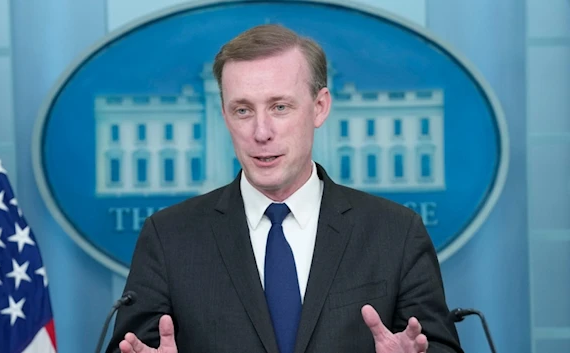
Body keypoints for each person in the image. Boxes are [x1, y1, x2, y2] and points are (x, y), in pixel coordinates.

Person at [106, 24, 463, 353]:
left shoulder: (396, 233)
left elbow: (439, 347)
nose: (261, 132)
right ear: (225, 115)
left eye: (279, 107)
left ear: (319, 107)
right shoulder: (169, 238)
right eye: (243, 110)